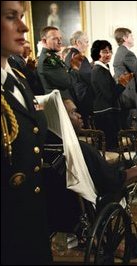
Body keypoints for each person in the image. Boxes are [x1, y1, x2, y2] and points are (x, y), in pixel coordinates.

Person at [1, 1, 52, 264]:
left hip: (31, 213)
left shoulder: (19, 78)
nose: (23, 26)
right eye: (11, 17)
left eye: (21, 16)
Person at [64, 31, 94, 128]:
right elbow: (88, 77)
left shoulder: (69, 55)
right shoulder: (79, 57)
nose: (87, 45)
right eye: (86, 41)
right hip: (84, 96)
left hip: (74, 94)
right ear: (78, 42)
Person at [113, 27, 137, 129]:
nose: (133, 38)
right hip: (129, 95)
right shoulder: (127, 53)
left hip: (122, 93)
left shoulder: (120, 51)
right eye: (131, 36)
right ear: (125, 38)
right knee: (131, 127)